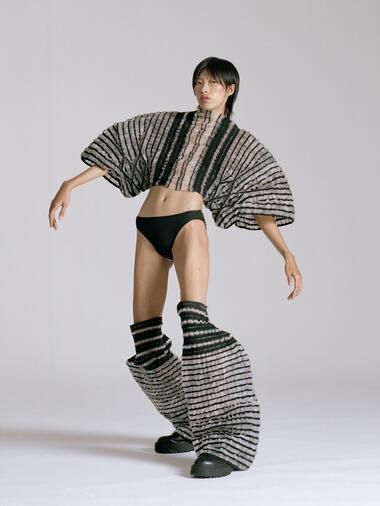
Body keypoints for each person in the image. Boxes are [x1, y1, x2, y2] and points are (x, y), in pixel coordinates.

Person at [48, 56, 303, 479]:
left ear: (230, 90)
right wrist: (69, 184)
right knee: (145, 336)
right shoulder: (168, 123)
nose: (204, 89)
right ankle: (189, 421)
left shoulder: (237, 143)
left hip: (188, 226)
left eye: (213, 83)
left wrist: (287, 253)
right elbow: (120, 148)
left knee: (194, 324)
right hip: (148, 226)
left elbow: (261, 203)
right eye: (199, 82)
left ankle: (229, 437)